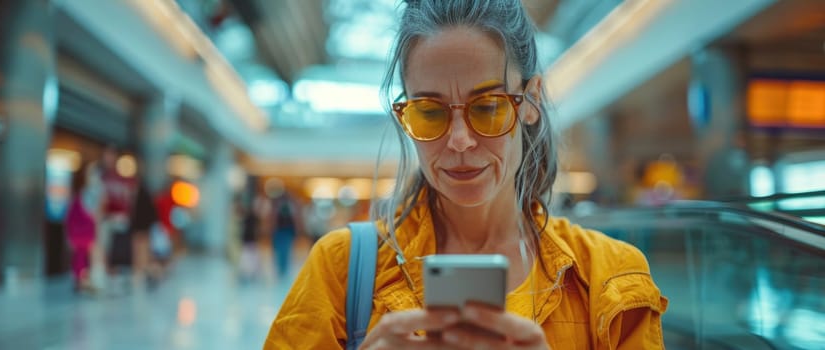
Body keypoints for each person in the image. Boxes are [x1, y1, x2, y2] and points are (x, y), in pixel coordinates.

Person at [266, 1, 668, 349]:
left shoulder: (610, 279)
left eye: (488, 106)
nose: (459, 141)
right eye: (429, 111)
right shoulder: (340, 269)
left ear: (531, 101)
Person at [64, 162, 104, 292]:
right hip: (83, 231)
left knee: (82, 256)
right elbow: (93, 213)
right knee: (83, 255)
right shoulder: (85, 193)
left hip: (82, 231)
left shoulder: (85, 193)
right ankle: (84, 281)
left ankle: (83, 280)